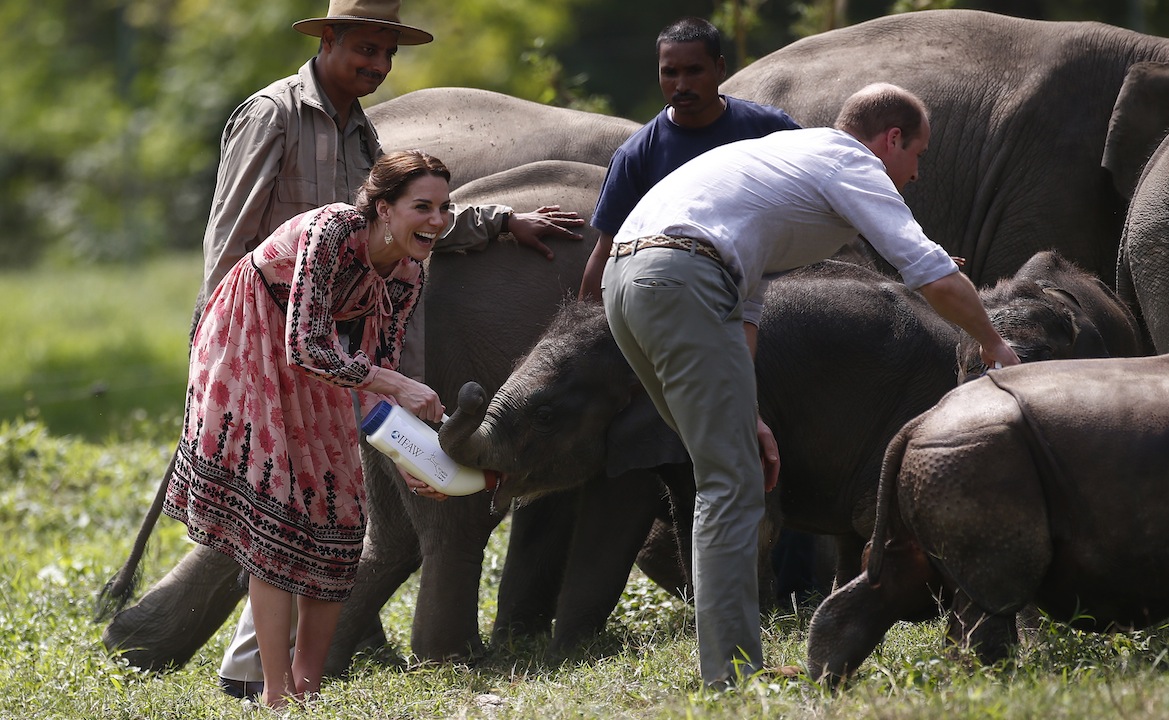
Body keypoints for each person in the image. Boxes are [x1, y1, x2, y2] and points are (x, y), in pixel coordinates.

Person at [199, 1, 582, 699]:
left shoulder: (364, 139)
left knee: (325, 501)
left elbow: (406, 216)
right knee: (281, 500)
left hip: (330, 335)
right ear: (330, 41)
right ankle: (261, 679)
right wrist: (214, 346)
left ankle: (270, 674)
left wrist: (499, 222)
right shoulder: (274, 114)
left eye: (386, 55)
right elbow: (230, 238)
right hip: (264, 324)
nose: (375, 66)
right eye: (364, 50)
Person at [601, 83, 1021, 688]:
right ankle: (732, 676)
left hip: (632, 283)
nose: (916, 174)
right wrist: (993, 344)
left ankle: (730, 662)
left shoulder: (780, 161)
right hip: (682, 276)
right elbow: (926, 266)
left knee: (726, 467)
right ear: (891, 139)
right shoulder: (849, 160)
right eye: (918, 157)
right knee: (731, 483)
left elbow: (743, 308)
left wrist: (750, 411)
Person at [164, 150, 457, 709]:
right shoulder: (331, 231)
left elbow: (378, 364)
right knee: (279, 508)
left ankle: (309, 689)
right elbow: (304, 343)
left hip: (316, 361)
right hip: (251, 335)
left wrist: (405, 452)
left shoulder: (407, 274)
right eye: (423, 207)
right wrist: (396, 386)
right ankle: (274, 695)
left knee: (342, 513)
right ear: (383, 209)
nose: (438, 221)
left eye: (445, 207)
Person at [578, 16, 800, 301]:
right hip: (685, 299)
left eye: (694, 71)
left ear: (719, 68)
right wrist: (584, 328)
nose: (681, 85)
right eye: (670, 72)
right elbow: (607, 249)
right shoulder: (635, 156)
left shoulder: (771, 129)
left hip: (781, 287)